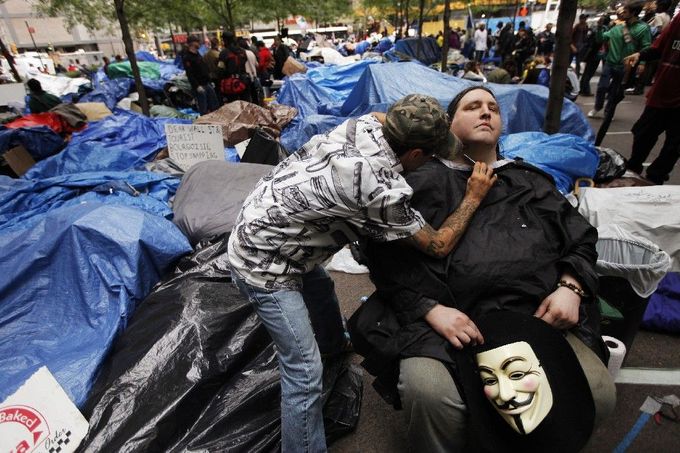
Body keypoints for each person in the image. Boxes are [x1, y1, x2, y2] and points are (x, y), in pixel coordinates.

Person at [228, 94, 496, 453]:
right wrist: (473, 197)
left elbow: (381, 113)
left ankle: (335, 347)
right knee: (305, 375)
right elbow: (438, 245)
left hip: (261, 217)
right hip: (264, 266)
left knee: (321, 288)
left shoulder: (363, 124)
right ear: (415, 156)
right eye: (430, 154)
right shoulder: (377, 188)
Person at [353, 86, 615, 451]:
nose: (486, 112)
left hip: (535, 316)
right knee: (430, 395)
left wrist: (570, 288)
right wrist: (428, 309)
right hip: (447, 323)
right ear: (448, 124)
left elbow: (580, 238)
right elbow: (384, 258)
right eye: (473, 107)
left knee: (598, 394)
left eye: (493, 107)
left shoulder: (530, 181)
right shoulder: (416, 183)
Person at [625, 12, 680, 184]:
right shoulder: (678, 21)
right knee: (643, 132)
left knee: (675, 144)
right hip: (662, 92)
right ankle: (633, 168)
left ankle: (656, 176)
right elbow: (659, 46)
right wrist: (641, 55)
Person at [589, 1, 651, 146]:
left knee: (615, 92)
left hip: (626, 67)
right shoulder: (617, 27)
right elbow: (601, 38)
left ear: (633, 13)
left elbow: (647, 47)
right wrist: (599, 27)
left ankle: (608, 112)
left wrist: (642, 63)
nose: (621, 13)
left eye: (625, 11)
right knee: (602, 86)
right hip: (610, 63)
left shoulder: (642, 29)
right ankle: (598, 106)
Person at [183, 35, 219, 115]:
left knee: (214, 104)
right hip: (200, 85)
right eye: (197, 42)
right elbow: (190, 74)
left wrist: (209, 80)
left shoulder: (197, 54)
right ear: (192, 43)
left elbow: (203, 68)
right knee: (203, 107)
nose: (199, 44)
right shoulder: (187, 57)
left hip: (206, 83)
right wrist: (196, 86)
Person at [218, 31, 251, 103]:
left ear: (225, 40)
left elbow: (221, 70)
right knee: (246, 104)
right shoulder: (242, 51)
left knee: (234, 106)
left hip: (231, 85)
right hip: (243, 81)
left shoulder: (223, 53)